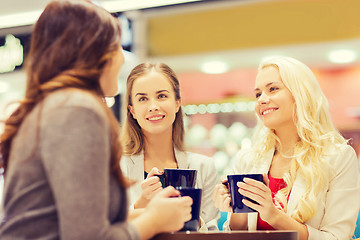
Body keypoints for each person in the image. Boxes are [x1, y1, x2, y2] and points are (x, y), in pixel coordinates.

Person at [0, 1, 193, 239]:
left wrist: (149, 212)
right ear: (96, 52)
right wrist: (154, 220)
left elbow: (73, 219)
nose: (122, 60)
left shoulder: (51, 107)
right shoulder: (78, 110)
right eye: (116, 47)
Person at [213, 56, 360, 240]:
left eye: (273, 89)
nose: (262, 100)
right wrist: (235, 207)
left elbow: (337, 237)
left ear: (300, 94)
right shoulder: (248, 159)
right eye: (258, 94)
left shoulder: (339, 157)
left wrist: (273, 216)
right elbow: (238, 233)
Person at [120, 62, 220, 231]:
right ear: (132, 110)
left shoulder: (204, 167)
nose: (153, 107)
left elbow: (212, 232)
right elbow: (106, 230)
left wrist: (192, 217)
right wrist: (141, 205)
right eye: (142, 99)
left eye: (161, 96)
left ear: (177, 103)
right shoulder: (115, 167)